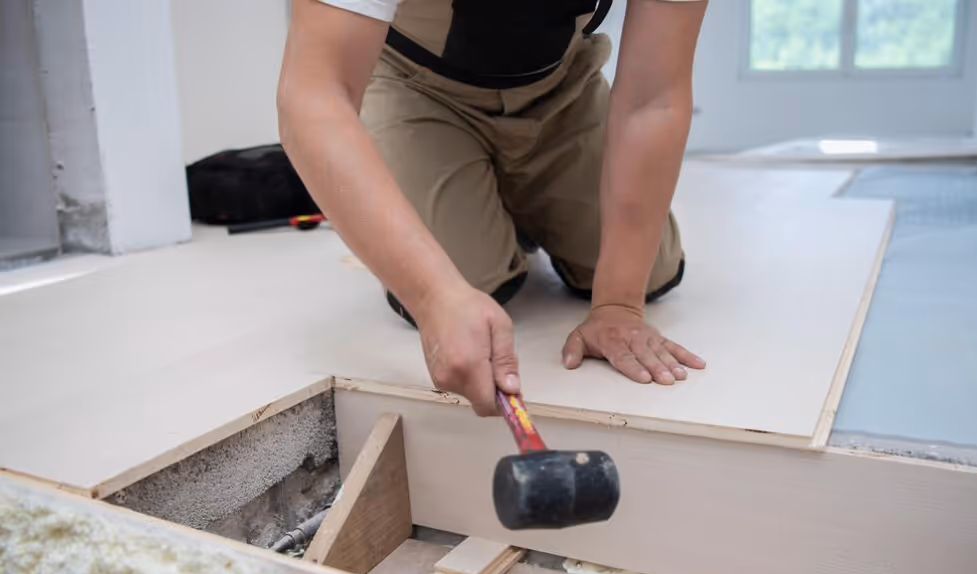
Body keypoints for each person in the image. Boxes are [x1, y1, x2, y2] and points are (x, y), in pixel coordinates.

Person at [278, 0, 708, 417]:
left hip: (559, 89)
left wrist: (619, 305)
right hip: (417, 86)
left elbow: (652, 101)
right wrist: (433, 298)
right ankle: (490, 197)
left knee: (648, 269)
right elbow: (316, 95)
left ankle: (511, 198)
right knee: (465, 283)